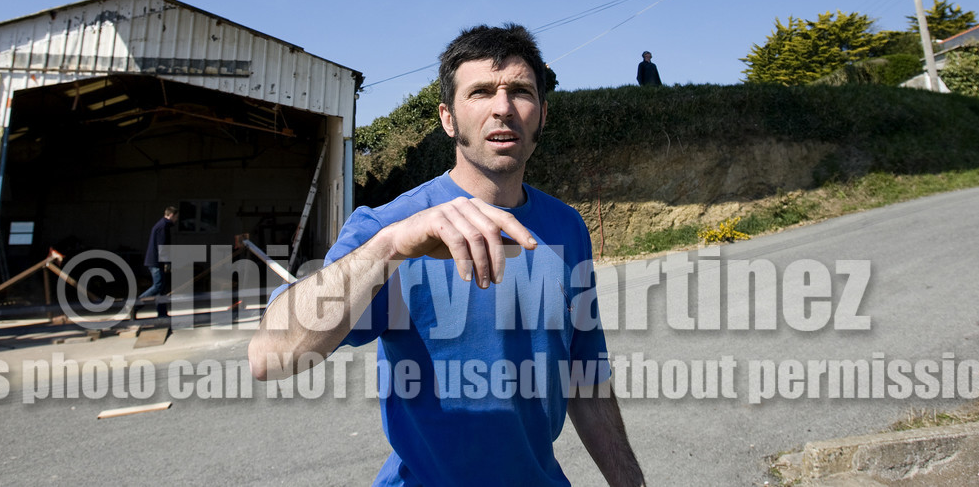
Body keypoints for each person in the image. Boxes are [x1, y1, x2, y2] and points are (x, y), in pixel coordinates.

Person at [250, 24, 644, 487]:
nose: (503, 108)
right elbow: (270, 356)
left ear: (542, 115)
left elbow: (586, 378)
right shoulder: (389, 227)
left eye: (520, 91)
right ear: (448, 118)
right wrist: (391, 247)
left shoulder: (567, 228)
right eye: (480, 92)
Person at [135, 205, 178, 319]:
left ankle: (162, 313)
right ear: (171, 215)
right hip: (156, 262)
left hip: (155, 261)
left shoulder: (161, 225)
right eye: (176, 218)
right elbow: (162, 247)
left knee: (162, 288)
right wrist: (167, 263)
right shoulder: (163, 226)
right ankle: (135, 305)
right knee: (158, 286)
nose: (176, 221)